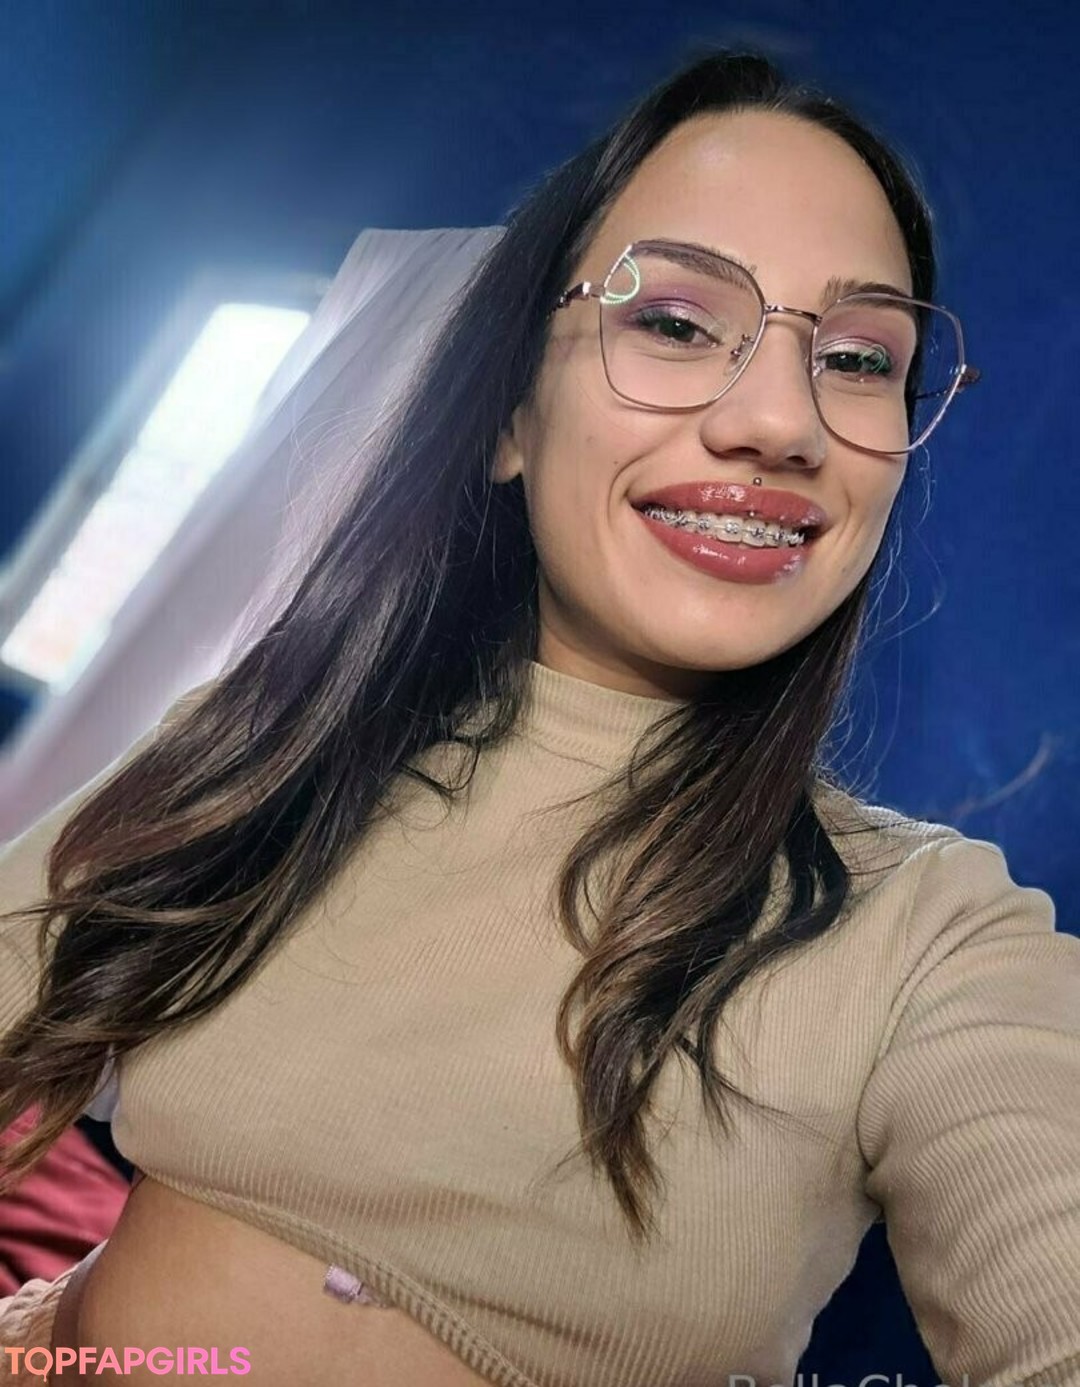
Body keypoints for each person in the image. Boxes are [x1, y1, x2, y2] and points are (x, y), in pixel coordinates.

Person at [1, 45, 1078, 1387]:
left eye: (859, 358)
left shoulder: (934, 940)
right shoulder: (270, 739)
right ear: (512, 415)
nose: (779, 421)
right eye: (674, 322)